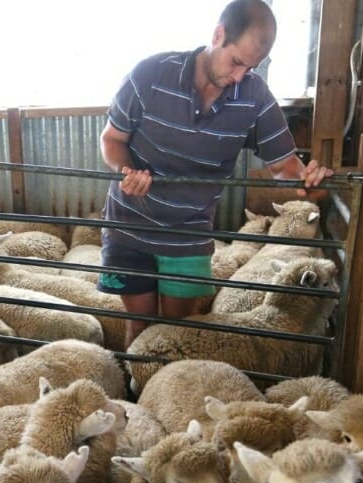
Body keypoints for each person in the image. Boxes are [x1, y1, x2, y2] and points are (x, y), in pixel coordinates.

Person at [97, 0, 332, 348]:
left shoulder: (254, 97)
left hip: (189, 233)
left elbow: (284, 166)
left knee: (177, 337)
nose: (238, 76)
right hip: (131, 223)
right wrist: (127, 170)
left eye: (250, 68)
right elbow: (112, 139)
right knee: (140, 329)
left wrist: (307, 180)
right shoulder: (150, 74)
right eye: (236, 61)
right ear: (218, 34)